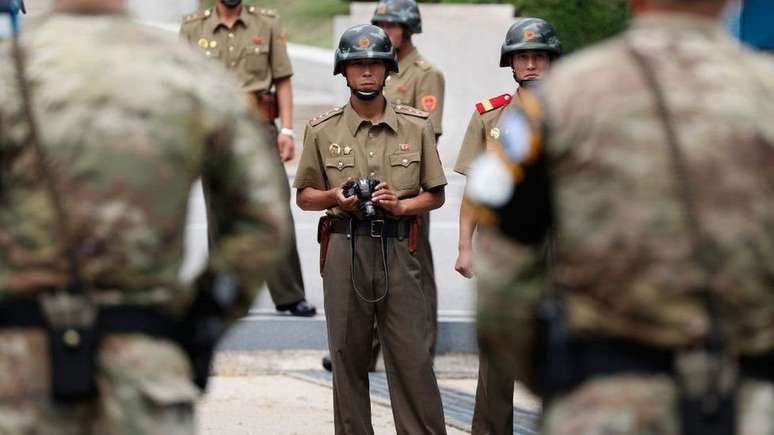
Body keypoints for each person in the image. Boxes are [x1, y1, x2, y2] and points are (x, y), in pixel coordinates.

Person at [469, 0, 774, 434]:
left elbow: (502, 278)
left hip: (605, 407)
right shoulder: (766, 92)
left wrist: (571, 383)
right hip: (751, 406)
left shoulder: (559, 102)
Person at [0, 0, 290, 433]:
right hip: (145, 373)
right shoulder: (192, 76)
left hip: (16, 377)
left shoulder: (9, 72)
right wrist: (200, 323)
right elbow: (264, 220)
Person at [294, 24, 448, 435]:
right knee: (347, 355)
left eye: (375, 65)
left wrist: (400, 204)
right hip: (345, 247)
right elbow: (304, 197)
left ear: (388, 70)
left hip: (400, 248)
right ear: (343, 72)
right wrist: (333, 199)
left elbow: (435, 195)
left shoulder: (416, 126)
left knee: (412, 357)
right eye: (357, 65)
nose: (366, 72)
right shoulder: (321, 130)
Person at [322, 0, 447, 373]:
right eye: (381, 24)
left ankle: (420, 346)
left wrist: (410, 185)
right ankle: (369, 350)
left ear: (409, 29)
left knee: (415, 270)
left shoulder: (425, 73)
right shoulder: (370, 64)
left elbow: (428, 133)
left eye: (393, 25)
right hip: (368, 186)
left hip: (407, 184)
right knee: (372, 274)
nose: (385, 31)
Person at [453, 17, 561, 435]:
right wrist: (465, 246)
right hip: (506, 247)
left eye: (539, 57)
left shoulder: (575, 113)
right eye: (523, 58)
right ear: (511, 65)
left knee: (566, 347)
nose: (531, 65)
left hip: (560, 247)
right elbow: (475, 193)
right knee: (497, 352)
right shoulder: (489, 117)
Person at [180, 0, 315, 317]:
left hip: (260, 128)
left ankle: (289, 295)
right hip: (215, 132)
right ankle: (220, 295)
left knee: (276, 210)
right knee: (220, 213)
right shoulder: (192, 28)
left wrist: (288, 130)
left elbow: (282, 79)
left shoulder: (266, 24)